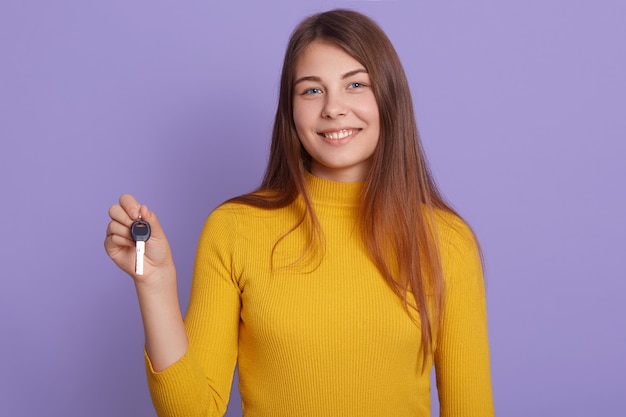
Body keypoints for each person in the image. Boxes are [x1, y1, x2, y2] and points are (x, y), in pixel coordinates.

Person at [105, 9, 494, 417]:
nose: (333, 108)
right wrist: (156, 285)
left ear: (389, 97)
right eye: (311, 91)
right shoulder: (234, 229)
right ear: (290, 111)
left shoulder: (446, 241)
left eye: (356, 85)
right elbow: (192, 411)